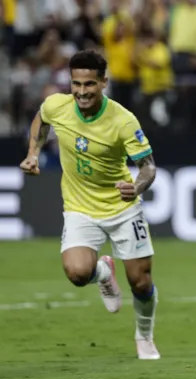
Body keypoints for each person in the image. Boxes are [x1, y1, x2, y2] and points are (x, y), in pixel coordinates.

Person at [18, 50, 161, 360]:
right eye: (76, 84)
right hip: (80, 207)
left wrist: (135, 187)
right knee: (77, 273)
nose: (82, 92)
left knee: (140, 282)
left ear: (104, 83)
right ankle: (103, 272)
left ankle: (144, 335)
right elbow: (41, 119)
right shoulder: (58, 105)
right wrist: (33, 152)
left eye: (89, 84)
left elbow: (149, 167)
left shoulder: (123, 121)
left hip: (122, 208)